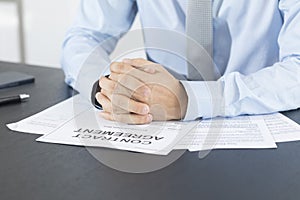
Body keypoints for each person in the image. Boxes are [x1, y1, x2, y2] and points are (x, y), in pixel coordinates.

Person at [61, 0, 300, 124]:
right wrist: (109, 88)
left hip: (259, 122)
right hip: (156, 130)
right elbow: (85, 35)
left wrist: (192, 99)